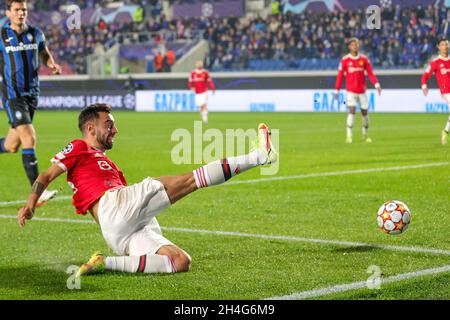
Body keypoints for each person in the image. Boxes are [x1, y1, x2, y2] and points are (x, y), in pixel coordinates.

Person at [17, 104, 277, 276]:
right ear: (90, 128)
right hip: (114, 207)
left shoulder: (109, 165)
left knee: (179, 262)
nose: (115, 130)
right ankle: (259, 156)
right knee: (188, 181)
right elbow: (46, 175)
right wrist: (31, 202)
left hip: (119, 231)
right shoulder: (78, 146)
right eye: (109, 124)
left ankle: (104, 263)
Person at [0, 0, 61, 205]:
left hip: (32, 95)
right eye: (16, 10)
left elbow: (43, 52)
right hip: (13, 95)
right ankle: (38, 191)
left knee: (11, 146)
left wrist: (50, 62)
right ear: (8, 12)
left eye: (23, 10)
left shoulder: (35, 33)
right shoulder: (1, 35)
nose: (20, 13)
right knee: (29, 137)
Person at [334, 38, 382, 144]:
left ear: (358, 46)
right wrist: (336, 91)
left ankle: (365, 135)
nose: (355, 46)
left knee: (364, 112)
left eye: (356, 44)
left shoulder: (364, 59)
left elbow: (370, 73)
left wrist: (376, 84)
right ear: (349, 47)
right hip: (351, 91)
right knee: (351, 110)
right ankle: (349, 136)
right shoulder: (345, 60)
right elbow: (340, 76)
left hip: (362, 91)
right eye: (352, 45)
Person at [421, 38, 450, 145]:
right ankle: (445, 132)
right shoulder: (435, 62)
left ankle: (445, 131)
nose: (445, 46)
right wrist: (424, 85)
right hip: (446, 91)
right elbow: (425, 75)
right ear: (438, 47)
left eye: (446, 44)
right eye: (443, 45)